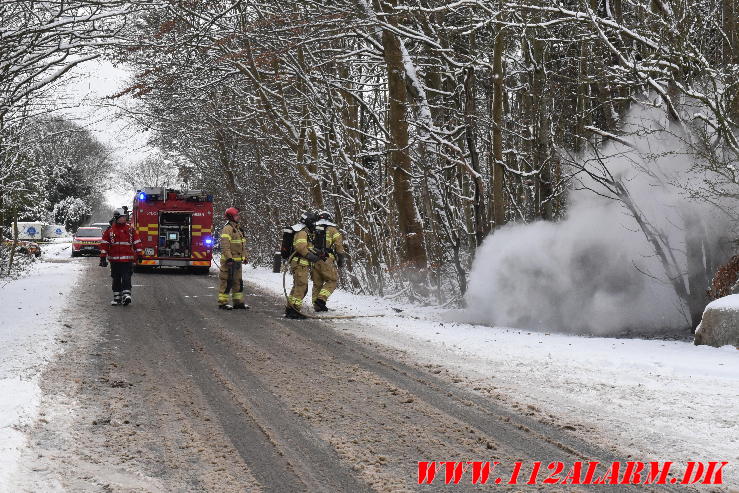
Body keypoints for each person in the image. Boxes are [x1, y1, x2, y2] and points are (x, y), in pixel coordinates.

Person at [99, 209, 142, 305]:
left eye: (124, 217)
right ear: (117, 218)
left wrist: (139, 254)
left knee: (126, 277)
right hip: (114, 261)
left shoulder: (130, 229)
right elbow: (104, 244)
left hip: (127, 260)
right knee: (116, 278)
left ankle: (126, 295)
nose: (124, 219)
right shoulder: (110, 231)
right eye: (122, 217)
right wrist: (102, 257)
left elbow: (137, 242)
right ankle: (117, 298)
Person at [285, 211, 320, 319]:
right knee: (301, 287)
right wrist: (310, 256)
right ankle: (295, 310)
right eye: (313, 222)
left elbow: (305, 246)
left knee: (297, 286)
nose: (314, 225)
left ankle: (291, 309)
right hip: (300, 263)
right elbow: (300, 247)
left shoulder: (303, 231)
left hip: (300, 264)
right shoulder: (302, 232)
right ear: (309, 222)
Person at [311, 210, 346, 312]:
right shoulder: (333, 230)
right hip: (327, 259)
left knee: (317, 283)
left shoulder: (313, 229)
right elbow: (339, 247)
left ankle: (316, 305)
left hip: (313, 259)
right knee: (332, 281)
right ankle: (321, 300)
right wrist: (341, 260)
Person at [218, 207, 248, 310]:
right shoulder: (227, 229)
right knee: (226, 281)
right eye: (236, 215)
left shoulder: (238, 229)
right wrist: (229, 258)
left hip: (238, 261)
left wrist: (244, 257)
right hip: (229, 262)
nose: (238, 217)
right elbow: (225, 245)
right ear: (231, 217)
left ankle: (238, 303)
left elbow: (242, 245)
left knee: (238, 282)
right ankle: (223, 303)